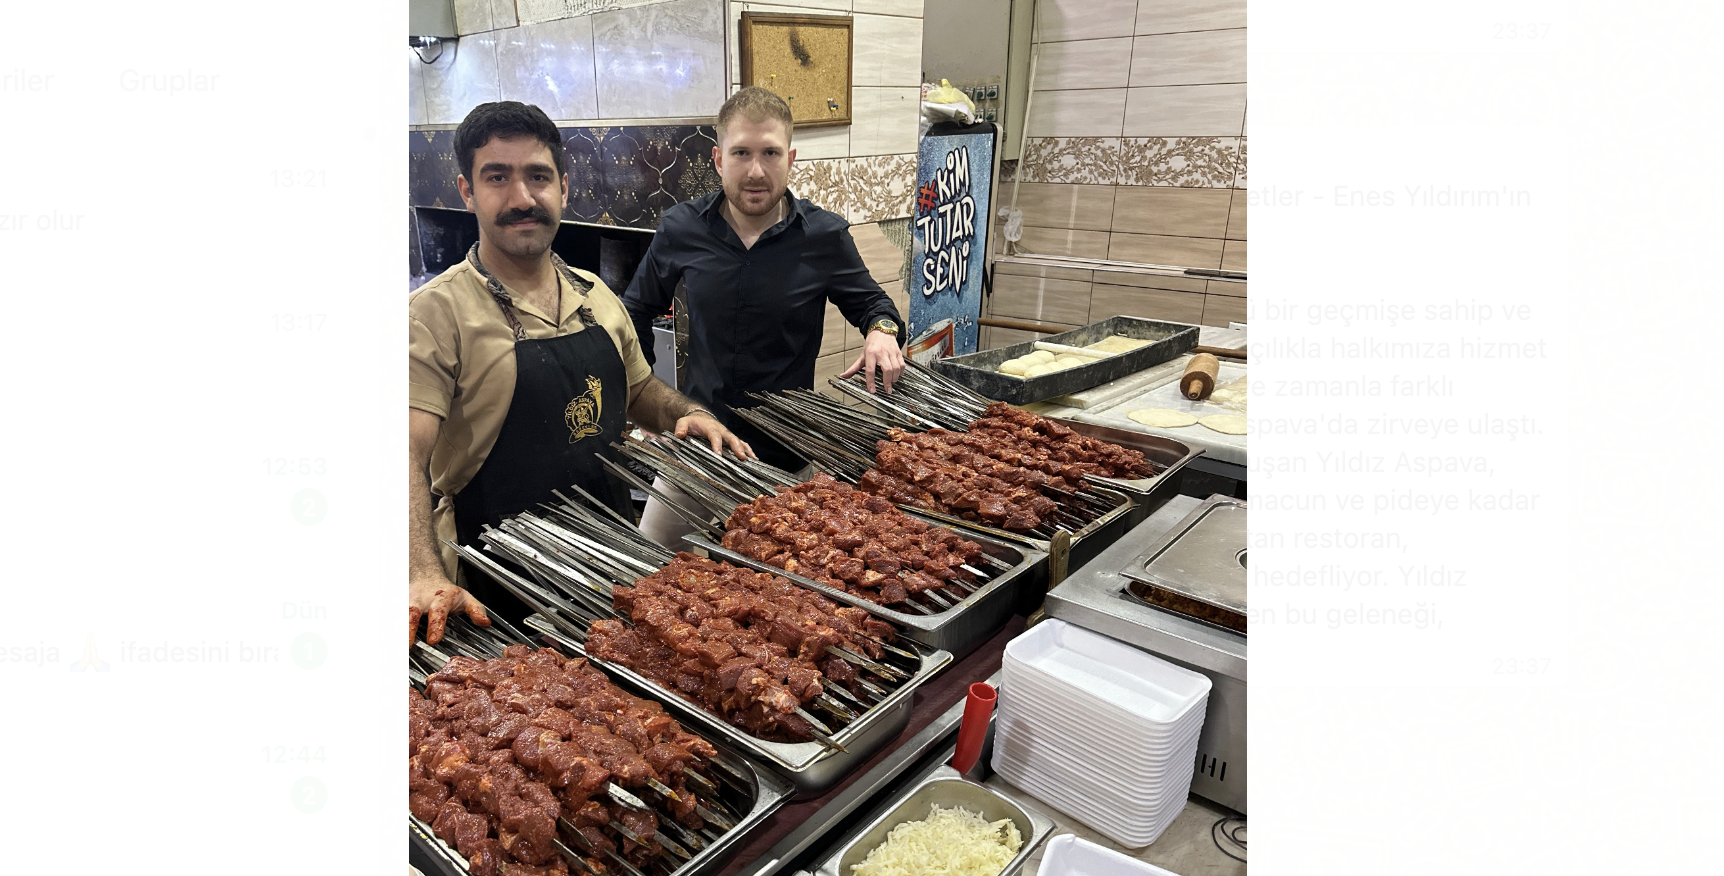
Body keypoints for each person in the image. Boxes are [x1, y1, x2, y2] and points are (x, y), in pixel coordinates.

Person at [408, 101, 752, 647]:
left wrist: (688, 413)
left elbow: (639, 389)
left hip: (610, 564)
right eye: (498, 178)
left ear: (563, 188)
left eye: (538, 177)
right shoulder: (436, 313)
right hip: (499, 586)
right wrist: (419, 570)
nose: (523, 198)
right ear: (467, 192)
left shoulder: (595, 294)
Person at [622, 87, 906, 538]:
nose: (756, 171)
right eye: (741, 153)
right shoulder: (681, 228)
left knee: (778, 585)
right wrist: (641, 404)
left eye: (770, 153)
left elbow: (875, 306)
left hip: (785, 452)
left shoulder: (824, 237)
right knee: (648, 567)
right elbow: (634, 311)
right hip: (699, 441)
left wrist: (882, 332)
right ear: (719, 160)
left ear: (790, 158)